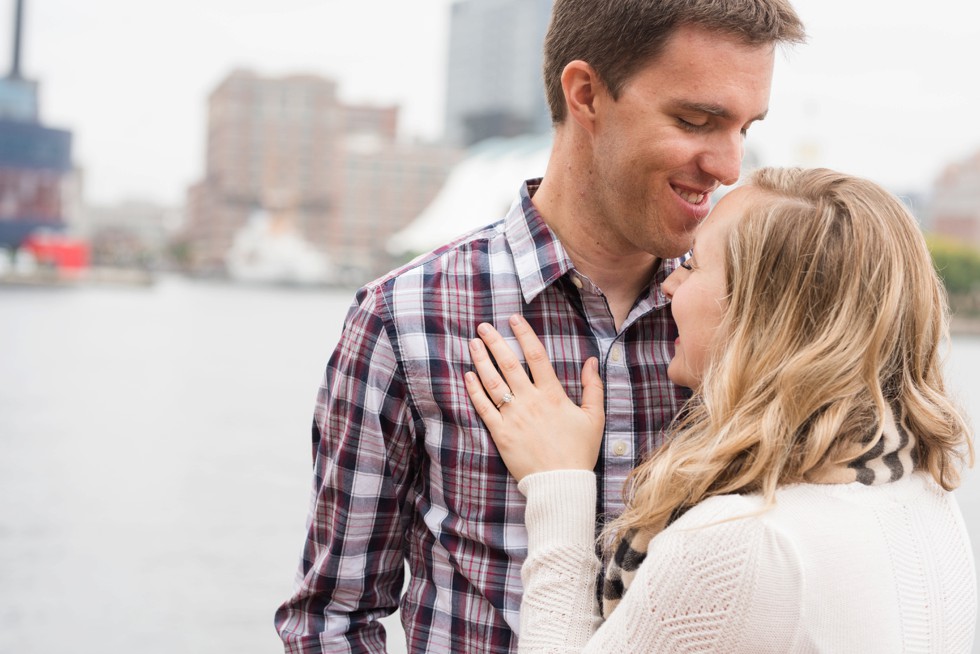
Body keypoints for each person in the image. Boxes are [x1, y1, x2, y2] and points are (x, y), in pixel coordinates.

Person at [274, 1, 806, 651]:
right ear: (585, 94)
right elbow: (332, 619)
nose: (728, 166)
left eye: (745, 129)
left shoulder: (751, 320)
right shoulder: (404, 319)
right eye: (696, 120)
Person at [464, 167, 977, 652]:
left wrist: (560, 484)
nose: (668, 287)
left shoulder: (740, 542)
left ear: (760, 312)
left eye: (693, 265)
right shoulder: (922, 489)